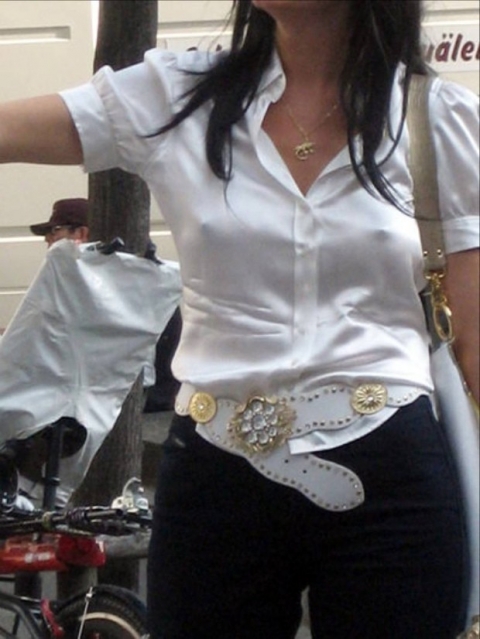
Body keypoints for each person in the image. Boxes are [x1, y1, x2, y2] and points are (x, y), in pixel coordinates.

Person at [0, 1, 478, 637]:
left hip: (389, 468)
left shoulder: (435, 117)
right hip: (215, 470)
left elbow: (474, 341)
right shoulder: (177, 97)